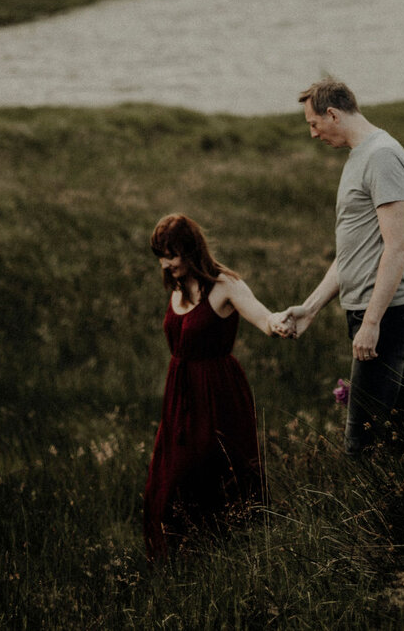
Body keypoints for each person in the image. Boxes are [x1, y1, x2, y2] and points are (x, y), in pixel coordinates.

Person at [278, 77, 404, 453]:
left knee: (362, 444)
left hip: (387, 313)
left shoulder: (381, 156)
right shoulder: (361, 156)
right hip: (373, 313)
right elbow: (352, 255)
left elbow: (396, 248)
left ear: (332, 113)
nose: (313, 134)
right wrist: (310, 308)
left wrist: (372, 322)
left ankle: (376, 512)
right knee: (395, 439)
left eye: (313, 124)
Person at [143, 212, 287, 560]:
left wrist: (281, 322)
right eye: (161, 254)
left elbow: (262, 317)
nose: (166, 263)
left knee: (214, 469)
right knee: (170, 474)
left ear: (191, 250)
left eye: (172, 254)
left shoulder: (225, 286)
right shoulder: (177, 286)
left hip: (218, 391)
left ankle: (236, 551)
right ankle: (178, 558)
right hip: (180, 392)